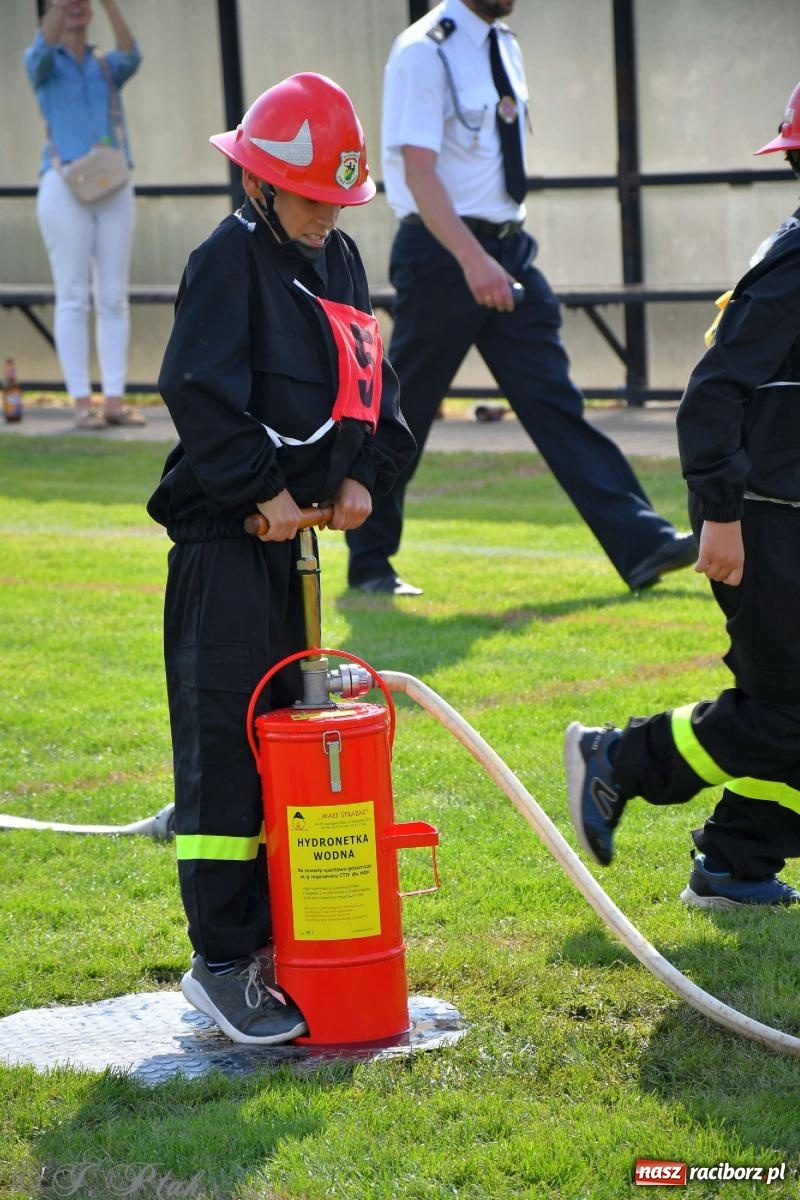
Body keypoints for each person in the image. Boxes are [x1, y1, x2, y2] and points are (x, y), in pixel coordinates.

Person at [147, 74, 416, 1044]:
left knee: (291, 754)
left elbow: (370, 386)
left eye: (340, 201)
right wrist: (261, 492)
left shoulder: (338, 261)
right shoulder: (226, 260)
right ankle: (223, 961)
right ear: (259, 184)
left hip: (293, 553)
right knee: (226, 754)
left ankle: (283, 942)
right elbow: (198, 389)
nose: (326, 216)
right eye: (310, 197)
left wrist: (360, 480)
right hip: (226, 547)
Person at [345, 0, 696, 596]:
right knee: (404, 412)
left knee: (555, 402)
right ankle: (371, 564)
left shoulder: (503, 43)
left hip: (507, 249)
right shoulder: (424, 49)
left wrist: (493, 257)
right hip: (444, 253)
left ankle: (642, 543)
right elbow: (418, 171)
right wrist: (472, 260)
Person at [564, 80, 800, 909]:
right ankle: (617, 760)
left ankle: (736, 865)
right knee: (781, 716)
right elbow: (712, 396)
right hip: (765, 529)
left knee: (791, 715)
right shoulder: (795, 266)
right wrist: (723, 517)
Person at [24, 0, 144, 430]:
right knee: (72, 294)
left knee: (114, 296)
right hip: (64, 184)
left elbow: (133, 54)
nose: (76, 6)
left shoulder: (105, 63)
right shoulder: (43, 62)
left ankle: (113, 400)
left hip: (111, 182)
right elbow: (40, 50)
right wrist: (59, 7)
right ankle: (80, 402)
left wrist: (107, 4)